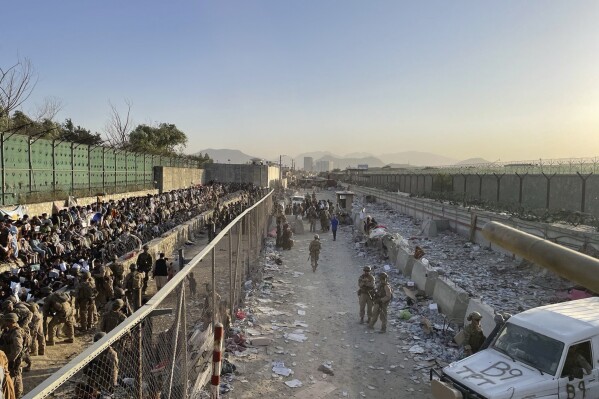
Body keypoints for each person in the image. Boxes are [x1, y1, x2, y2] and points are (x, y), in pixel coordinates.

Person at [0, 313, 23, 398]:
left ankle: (17, 394)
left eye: (6, 321)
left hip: (13, 359)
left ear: (11, 322)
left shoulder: (16, 333)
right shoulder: (9, 330)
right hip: (9, 357)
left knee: (14, 376)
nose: (5, 322)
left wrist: (10, 359)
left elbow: (18, 348)